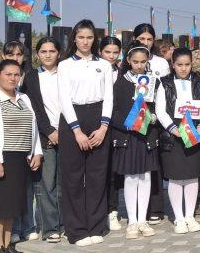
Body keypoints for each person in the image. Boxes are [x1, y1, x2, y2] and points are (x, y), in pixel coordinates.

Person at [0, 60, 43, 253]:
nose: (13, 78)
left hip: (19, 160)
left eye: (16, 74)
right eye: (8, 74)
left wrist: (36, 151)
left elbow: (33, 127)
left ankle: (6, 247)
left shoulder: (24, 98)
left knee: (10, 207)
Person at [57, 20, 115, 247]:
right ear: (74, 38)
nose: (85, 41)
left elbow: (109, 97)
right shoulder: (65, 65)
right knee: (73, 177)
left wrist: (103, 128)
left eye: (89, 37)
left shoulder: (104, 65)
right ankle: (77, 230)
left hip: (99, 118)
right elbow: (64, 98)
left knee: (97, 176)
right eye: (81, 37)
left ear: (94, 39)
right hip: (73, 120)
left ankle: (96, 226)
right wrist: (77, 131)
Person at [110, 45, 162, 240]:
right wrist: (128, 124)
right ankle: (132, 220)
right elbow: (113, 110)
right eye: (135, 62)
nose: (139, 66)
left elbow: (160, 107)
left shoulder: (153, 82)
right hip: (128, 136)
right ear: (128, 61)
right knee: (131, 178)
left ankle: (143, 220)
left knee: (146, 177)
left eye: (143, 62)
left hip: (146, 135)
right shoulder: (120, 82)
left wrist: (152, 118)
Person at [157, 48, 200, 234]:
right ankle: (178, 217)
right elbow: (160, 110)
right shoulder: (164, 83)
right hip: (174, 135)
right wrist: (173, 129)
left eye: (187, 64)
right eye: (179, 64)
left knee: (192, 175)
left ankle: (189, 215)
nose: (183, 68)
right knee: (175, 176)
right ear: (173, 64)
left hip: (195, 133)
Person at [21, 37, 64, 243]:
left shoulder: (66, 73)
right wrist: (49, 131)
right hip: (45, 136)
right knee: (46, 184)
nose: (48, 55)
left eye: (52, 51)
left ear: (59, 53)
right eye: (43, 51)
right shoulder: (31, 77)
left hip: (68, 134)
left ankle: (65, 224)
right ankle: (50, 228)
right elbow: (33, 109)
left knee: (65, 183)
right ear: (37, 55)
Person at [130, 24, 170, 225]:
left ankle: (156, 207)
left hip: (156, 118)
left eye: (149, 39)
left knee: (156, 164)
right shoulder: (130, 61)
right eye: (141, 39)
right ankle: (136, 211)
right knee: (138, 166)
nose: (145, 42)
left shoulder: (160, 62)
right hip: (135, 119)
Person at [96, 36, 126, 232]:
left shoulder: (122, 73)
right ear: (100, 52)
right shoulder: (94, 71)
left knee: (113, 172)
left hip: (117, 127)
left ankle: (112, 210)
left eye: (115, 52)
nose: (111, 56)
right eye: (107, 52)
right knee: (99, 172)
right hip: (97, 125)